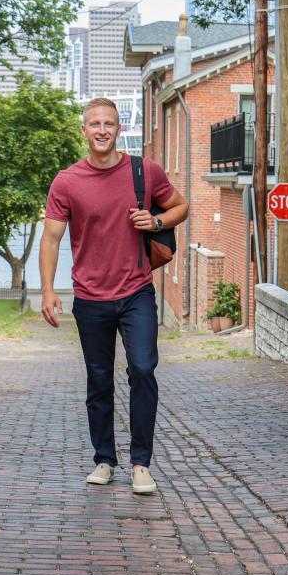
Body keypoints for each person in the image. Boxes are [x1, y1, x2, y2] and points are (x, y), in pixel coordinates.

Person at [40, 97, 188, 495]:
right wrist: (50, 290)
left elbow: (180, 207)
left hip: (136, 290)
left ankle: (141, 463)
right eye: (94, 124)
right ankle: (104, 459)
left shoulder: (144, 171)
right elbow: (51, 239)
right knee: (99, 380)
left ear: (119, 128)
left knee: (142, 370)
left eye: (108, 123)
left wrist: (155, 220)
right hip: (89, 297)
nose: (101, 130)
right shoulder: (67, 181)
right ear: (84, 130)